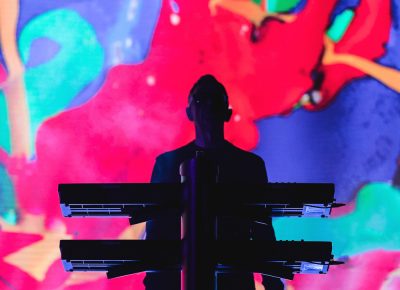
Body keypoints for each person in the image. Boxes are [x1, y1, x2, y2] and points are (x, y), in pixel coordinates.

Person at [143, 74, 284, 290]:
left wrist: (273, 282)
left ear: (226, 112)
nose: (208, 105)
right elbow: (156, 231)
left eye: (215, 100)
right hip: (182, 280)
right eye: (201, 99)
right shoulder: (168, 164)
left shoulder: (250, 166)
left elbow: (262, 230)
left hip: (233, 280)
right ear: (190, 111)